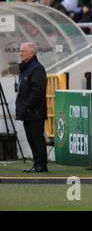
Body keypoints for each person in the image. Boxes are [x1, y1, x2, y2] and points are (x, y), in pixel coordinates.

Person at [15, 42, 48, 173]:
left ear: (31, 53)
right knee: (31, 139)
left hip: (35, 111)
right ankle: (36, 163)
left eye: (23, 51)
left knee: (37, 138)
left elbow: (37, 91)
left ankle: (42, 165)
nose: (20, 53)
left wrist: (27, 106)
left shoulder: (37, 68)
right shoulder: (26, 68)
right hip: (27, 111)